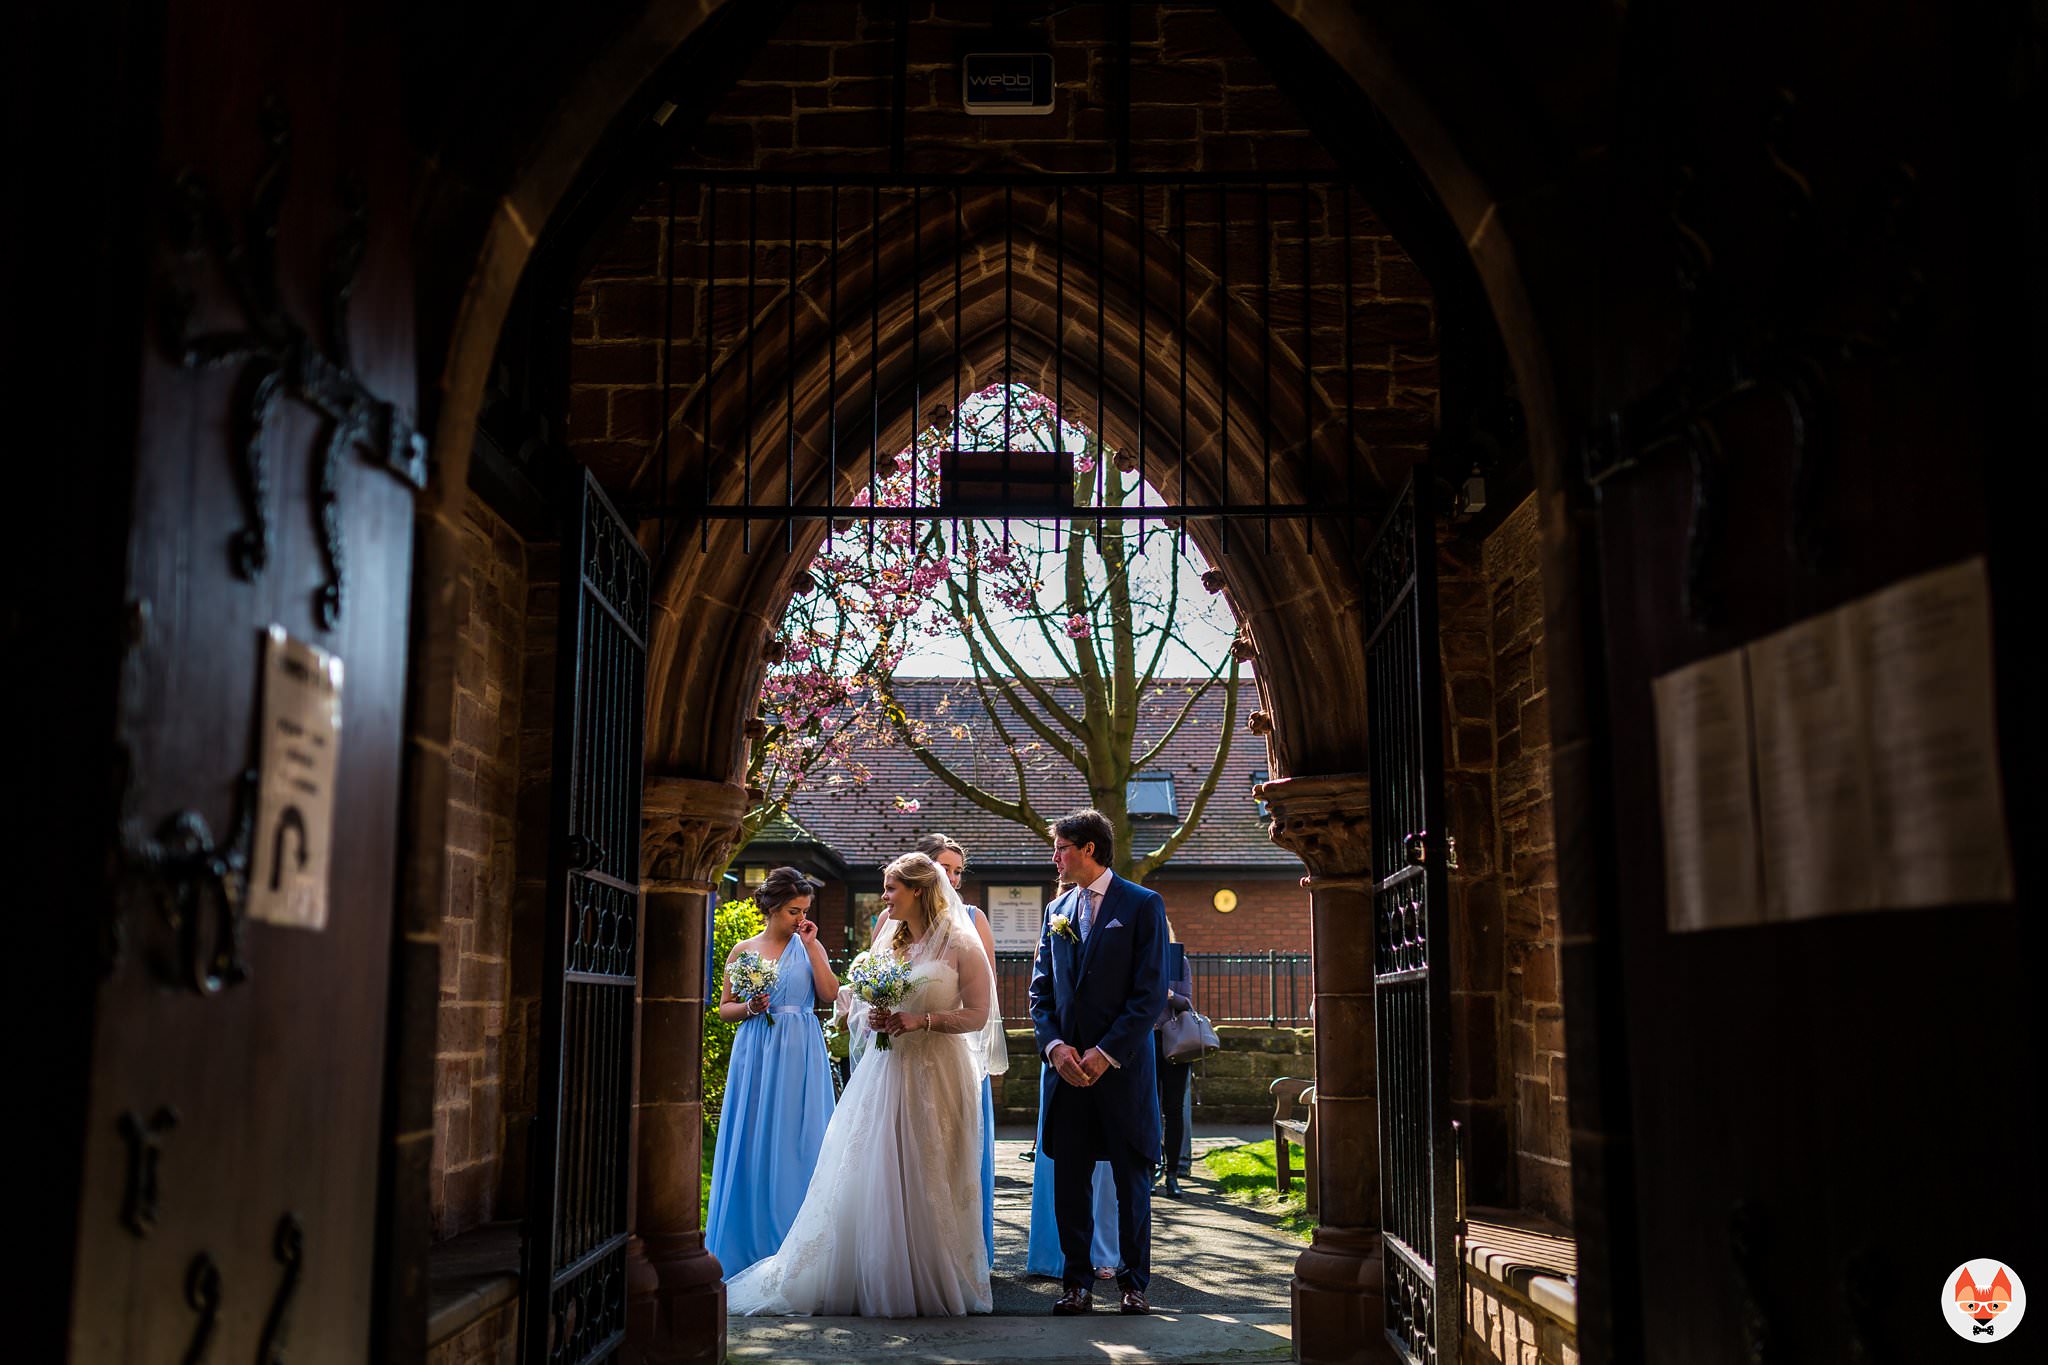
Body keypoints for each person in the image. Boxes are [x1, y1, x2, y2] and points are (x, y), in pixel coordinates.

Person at [726, 853, 995, 1317]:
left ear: (918, 891)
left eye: (891, 889)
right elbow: (858, 993)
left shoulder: (961, 944)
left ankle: (932, 1272)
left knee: (932, 1168)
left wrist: (922, 1019)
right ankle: (877, 1270)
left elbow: (978, 1014)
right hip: (886, 1068)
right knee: (874, 1166)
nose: (884, 897)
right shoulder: (890, 938)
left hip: (938, 1069)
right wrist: (874, 1014)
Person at [1029, 809, 1169, 1316]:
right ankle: (1077, 1283)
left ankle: (1134, 1285)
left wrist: (1105, 1052)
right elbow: (1040, 991)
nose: (1056, 857)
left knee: (1132, 1184)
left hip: (1123, 1072)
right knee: (1069, 1183)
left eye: (1062, 847)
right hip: (1066, 1075)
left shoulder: (1142, 904)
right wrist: (1056, 1048)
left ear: (1089, 848)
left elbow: (1150, 993)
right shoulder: (1056, 910)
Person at [704, 867, 840, 1277]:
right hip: (756, 1050)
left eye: (805, 911)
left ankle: (800, 1243)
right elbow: (724, 1008)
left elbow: (830, 994)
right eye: (793, 912)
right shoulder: (743, 951)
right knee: (754, 1133)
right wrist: (750, 1007)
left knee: (800, 1137)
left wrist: (813, 947)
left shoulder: (809, 945)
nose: (801, 919)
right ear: (772, 908)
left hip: (800, 1048)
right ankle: (748, 1240)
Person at [1025, 876, 1122, 1285]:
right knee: (1058, 1164)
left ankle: (1105, 1252)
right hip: (1061, 1060)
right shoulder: (1054, 921)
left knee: (1104, 1170)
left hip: (1106, 1058)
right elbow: (1042, 990)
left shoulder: (1123, 912)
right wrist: (1056, 1046)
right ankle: (1055, 1254)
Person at [916, 833, 1002, 1271]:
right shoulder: (892, 920)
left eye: (957, 871)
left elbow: (980, 999)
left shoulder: (973, 919)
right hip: (904, 1053)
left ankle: (966, 1255)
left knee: (957, 1151)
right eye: (943, 869)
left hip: (956, 1056)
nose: (952, 878)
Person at [1152, 937, 1195, 1197]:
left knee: (1174, 1108)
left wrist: (1167, 993)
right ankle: (1148, 1170)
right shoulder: (1136, 959)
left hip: (1174, 1042)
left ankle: (1172, 1174)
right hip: (1144, 1041)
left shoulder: (1179, 963)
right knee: (1146, 1107)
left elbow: (1186, 1002)